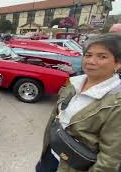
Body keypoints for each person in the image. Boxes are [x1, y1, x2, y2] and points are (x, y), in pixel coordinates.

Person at [36, 33, 121, 172]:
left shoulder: (117, 103)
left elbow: (109, 159)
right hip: (50, 156)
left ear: (118, 63)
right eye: (88, 55)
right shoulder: (74, 83)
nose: (91, 61)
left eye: (102, 56)